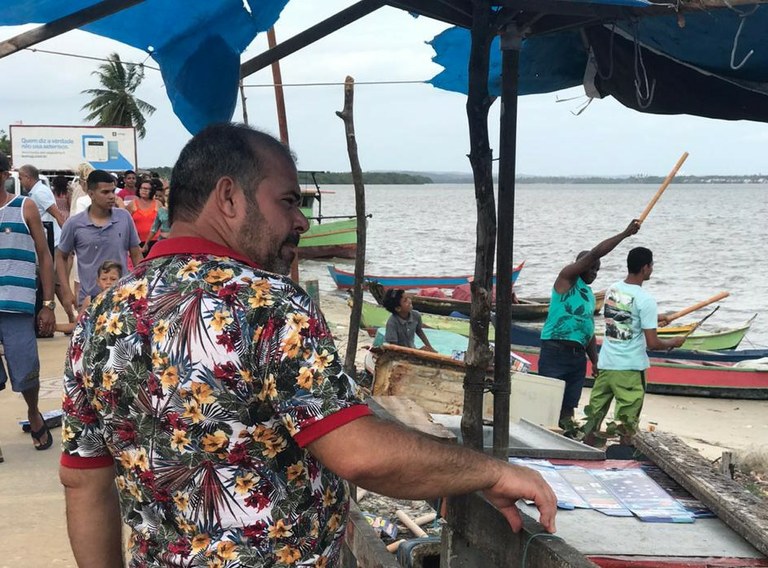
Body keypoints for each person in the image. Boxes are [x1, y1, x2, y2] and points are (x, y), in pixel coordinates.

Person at [59, 123, 556, 567]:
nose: (303, 222)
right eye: (288, 201)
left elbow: (84, 482)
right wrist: (489, 472)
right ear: (229, 198)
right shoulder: (266, 302)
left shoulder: (99, 316)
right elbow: (358, 452)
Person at [537, 220, 641, 428]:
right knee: (547, 403)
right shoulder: (566, 280)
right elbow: (595, 253)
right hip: (555, 350)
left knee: (569, 407)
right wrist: (624, 234)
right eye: (591, 267)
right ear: (580, 265)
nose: (594, 271)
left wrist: (595, 360)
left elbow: (588, 329)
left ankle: (566, 436)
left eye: (597, 270)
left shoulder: (589, 296)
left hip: (577, 357)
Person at [582, 247, 685, 446]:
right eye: (651, 265)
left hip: (606, 365)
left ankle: (586, 452)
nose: (652, 269)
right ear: (646, 268)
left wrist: (653, 319)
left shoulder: (613, 289)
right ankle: (622, 460)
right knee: (626, 423)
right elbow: (653, 344)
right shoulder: (645, 300)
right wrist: (674, 342)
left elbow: (624, 317)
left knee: (593, 417)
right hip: (629, 369)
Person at [0, 155, 56, 451]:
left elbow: (45, 255)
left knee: (26, 370)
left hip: (18, 305)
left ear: (3, 174)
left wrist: (47, 303)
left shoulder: (25, 207)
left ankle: (33, 412)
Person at [55, 170, 142, 313]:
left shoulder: (124, 218)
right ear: (91, 194)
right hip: (89, 301)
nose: (111, 197)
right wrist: (66, 290)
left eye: (113, 191)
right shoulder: (74, 224)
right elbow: (61, 256)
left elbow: (136, 255)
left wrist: (141, 287)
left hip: (121, 300)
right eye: (105, 192)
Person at [19, 164, 77, 326]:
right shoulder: (37, 192)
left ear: (28, 177)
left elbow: (58, 215)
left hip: (53, 244)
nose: (20, 181)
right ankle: (72, 317)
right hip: (48, 243)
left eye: (21, 178)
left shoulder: (40, 193)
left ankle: (73, 318)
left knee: (55, 283)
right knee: (56, 284)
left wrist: (69, 241)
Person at [54, 260, 122, 334]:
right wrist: (54, 327)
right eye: (104, 279)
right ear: (98, 282)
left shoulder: (125, 301)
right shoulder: (90, 301)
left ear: (121, 281)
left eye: (113, 279)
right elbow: (78, 325)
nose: (108, 282)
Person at [126, 177, 159, 251]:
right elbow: (126, 223)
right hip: (138, 242)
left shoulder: (157, 204)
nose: (144, 190)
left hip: (156, 241)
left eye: (147, 189)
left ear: (152, 191)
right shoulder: (132, 204)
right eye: (142, 188)